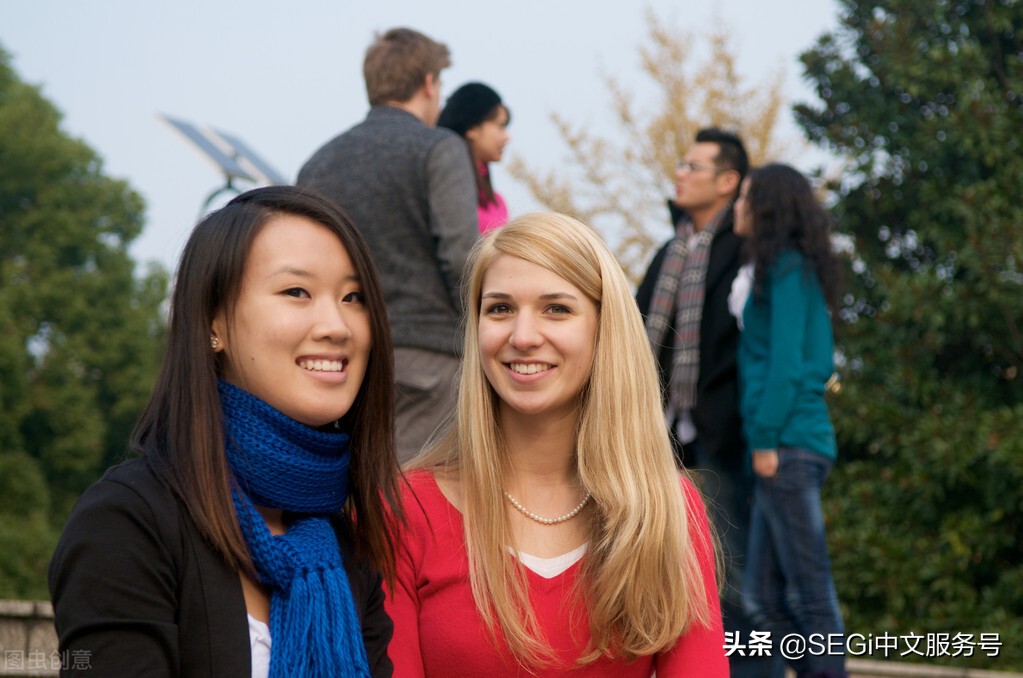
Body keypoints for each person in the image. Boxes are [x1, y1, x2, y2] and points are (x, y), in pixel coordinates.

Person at [48, 186, 400, 677]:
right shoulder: (128, 522)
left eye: (353, 297)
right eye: (297, 292)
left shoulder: (344, 548)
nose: (337, 326)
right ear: (213, 320)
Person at [386, 212, 727, 676]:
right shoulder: (404, 510)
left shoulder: (667, 509)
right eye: (500, 309)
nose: (523, 337)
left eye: (557, 309)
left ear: (604, 330)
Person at [298, 28, 477, 463]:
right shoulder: (439, 149)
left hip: (341, 360)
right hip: (429, 360)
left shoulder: (318, 163)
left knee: (353, 487)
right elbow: (462, 260)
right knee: (416, 492)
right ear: (429, 83)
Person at [636, 129, 776, 676]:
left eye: (693, 166)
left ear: (727, 181)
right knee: (676, 564)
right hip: (662, 434)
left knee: (731, 568)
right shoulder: (669, 252)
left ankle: (750, 670)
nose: (681, 174)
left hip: (725, 432)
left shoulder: (746, 251)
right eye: (682, 164)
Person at [733, 164, 847, 678]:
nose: (738, 207)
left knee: (809, 593)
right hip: (784, 443)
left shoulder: (788, 267)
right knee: (762, 600)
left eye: (746, 198)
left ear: (768, 208)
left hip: (789, 444)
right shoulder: (779, 269)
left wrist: (764, 439)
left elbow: (788, 366)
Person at [437, 82, 511, 233]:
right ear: (472, 128)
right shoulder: (447, 193)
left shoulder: (496, 201)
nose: (507, 137)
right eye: (500, 126)